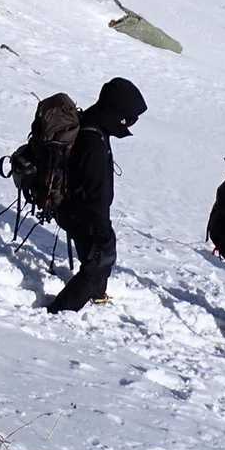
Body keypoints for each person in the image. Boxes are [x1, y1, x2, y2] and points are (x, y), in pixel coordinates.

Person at [46, 77, 146, 314]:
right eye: (128, 118)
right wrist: (102, 230)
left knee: (95, 253)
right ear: (116, 111)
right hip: (81, 211)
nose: (130, 123)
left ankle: (97, 293)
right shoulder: (93, 141)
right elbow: (95, 193)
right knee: (101, 257)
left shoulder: (94, 123)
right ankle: (61, 310)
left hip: (74, 207)